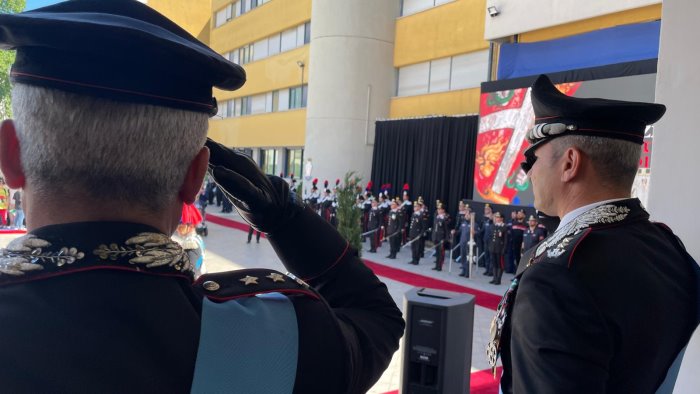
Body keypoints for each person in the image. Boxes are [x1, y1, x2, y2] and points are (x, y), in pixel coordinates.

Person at [0, 2, 404, 392]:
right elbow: (378, 318)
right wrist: (285, 219)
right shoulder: (282, 341)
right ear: (196, 177)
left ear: (9, 156)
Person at [488, 75, 699, 393]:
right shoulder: (670, 249)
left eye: (535, 159)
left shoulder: (556, 278)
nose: (529, 172)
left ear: (569, 163)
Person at [488, 211, 508, 285]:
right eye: (496, 217)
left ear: (502, 218)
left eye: (498, 217)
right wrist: (490, 246)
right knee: (494, 263)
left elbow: (506, 240)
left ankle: (498, 279)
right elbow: (491, 237)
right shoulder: (494, 226)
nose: (496, 218)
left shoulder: (504, 227)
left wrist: (504, 249)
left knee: (500, 264)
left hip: (500, 248)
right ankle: (494, 278)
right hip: (493, 248)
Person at [431, 203, 449, 271]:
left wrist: (445, 239)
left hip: (441, 238)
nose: (438, 210)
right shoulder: (437, 217)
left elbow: (446, 230)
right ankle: (436, 265)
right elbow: (434, 228)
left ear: (443, 210)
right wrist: (433, 236)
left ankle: (439, 267)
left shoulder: (445, 218)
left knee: (440, 253)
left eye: (440, 209)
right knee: (437, 252)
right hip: (436, 237)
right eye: (438, 209)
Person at [407, 201, 424, 265]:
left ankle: (417, 260)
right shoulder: (414, 214)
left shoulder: (421, 215)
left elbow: (423, 227)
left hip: (417, 234)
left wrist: (420, 234)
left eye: (416, 206)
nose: (414, 207)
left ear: (419, 207)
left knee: (417, 248)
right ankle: (413, 259)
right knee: (413, 247)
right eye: (414, 206)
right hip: (412, 233)